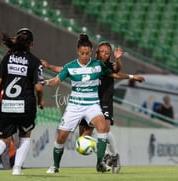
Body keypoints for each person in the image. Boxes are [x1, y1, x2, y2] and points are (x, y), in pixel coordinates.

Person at [42, 39, 145, 174]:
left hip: (93, 104)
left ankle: (101, 163)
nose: (84, 56)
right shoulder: (71, 66)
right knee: (62, 137)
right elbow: (56, 79)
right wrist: (44, 80)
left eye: (87, 53)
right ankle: (55, 166)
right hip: (75, 106)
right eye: (82, 53)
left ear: (91, 52)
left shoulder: (98, 65)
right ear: (78, 52)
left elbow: (114, 73)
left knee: (103, 128)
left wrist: (132, 76)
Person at [0, 27, 44, 175]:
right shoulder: (35, 62)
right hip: (26, 105)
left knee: (3, 138)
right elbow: (39, 87)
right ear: (31, 44)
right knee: (25, 137)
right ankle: (17, 168)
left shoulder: (7, 58)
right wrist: (40, 101)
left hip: (7, 104)